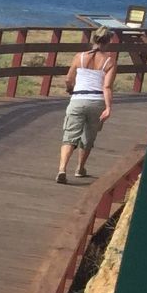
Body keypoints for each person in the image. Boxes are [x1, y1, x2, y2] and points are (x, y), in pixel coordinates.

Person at [58, 29, 118, 182]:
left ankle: (62, 169)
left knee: (69, 136)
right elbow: (107, 87)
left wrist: (70, 89)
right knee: (88, 137)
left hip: (78, 99)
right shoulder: (109, 61)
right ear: (108, 41)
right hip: (97, 101)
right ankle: (80, 168)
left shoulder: (80, 57)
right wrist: (109, 108)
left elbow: (68, 79)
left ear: (93, 39)